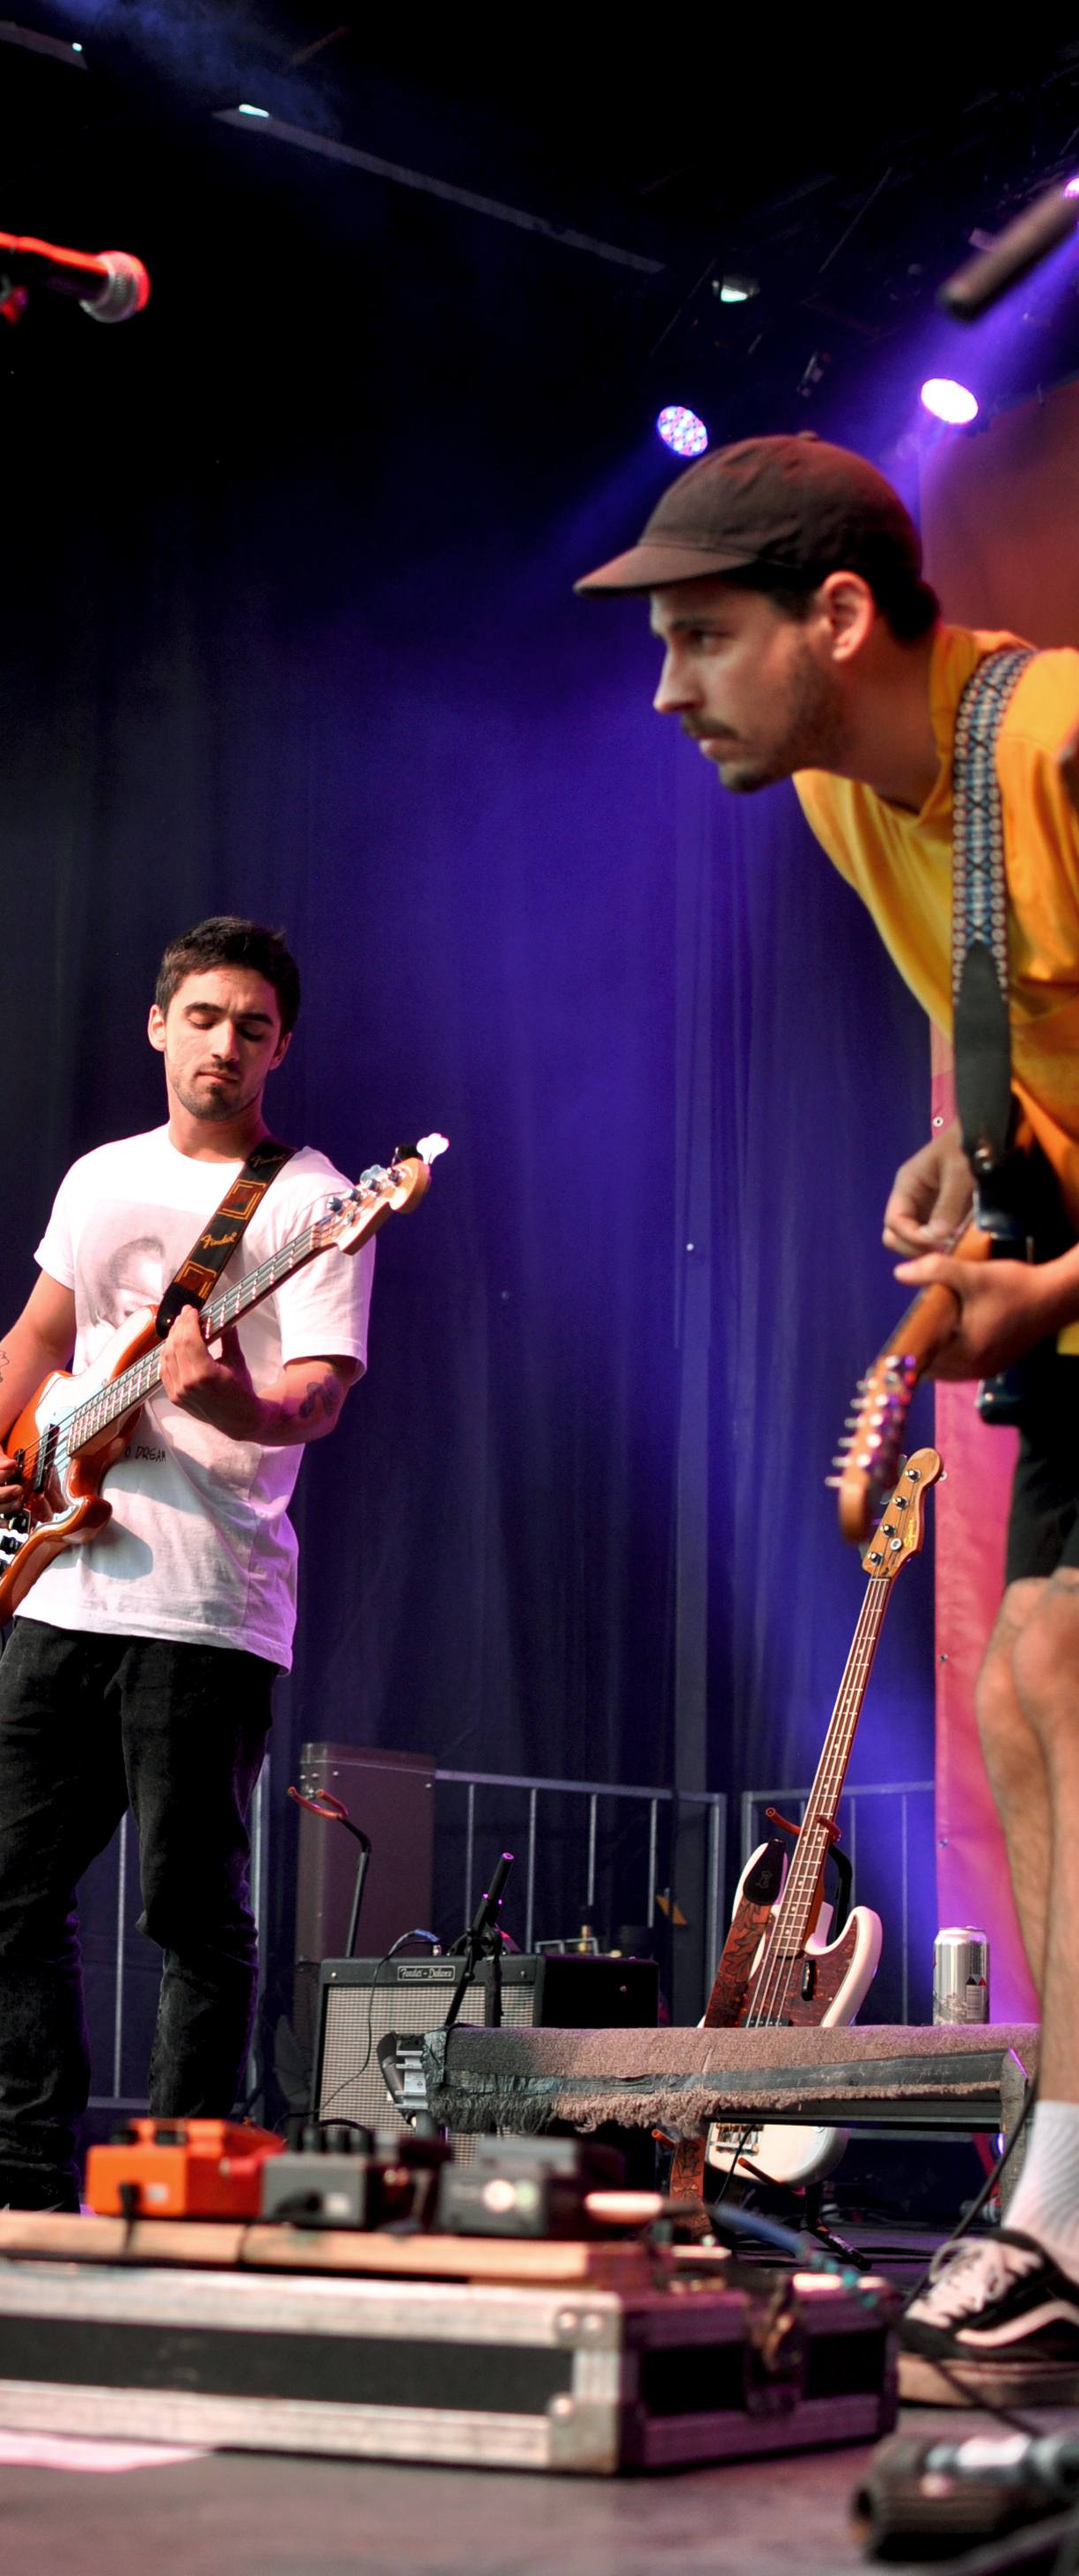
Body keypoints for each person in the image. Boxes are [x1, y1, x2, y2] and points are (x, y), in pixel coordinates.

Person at [577, 433, 1079, 2397]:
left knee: (1061, 1672)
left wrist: (1052, 1287)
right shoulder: (852, 798)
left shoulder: (1054, 744)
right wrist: (974, 1160)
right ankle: (1062, 2194)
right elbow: (1016, 1035)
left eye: (701, 637)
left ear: (839, 615)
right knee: (1024, 1690)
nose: (665, 690)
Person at [0, 916, 372, 2209]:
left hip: (206, 1605)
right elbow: (42, 1332)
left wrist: (227, 1400)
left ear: (280, 1048)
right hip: (61, 1579)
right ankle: (26, 2160)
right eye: (202, 1017)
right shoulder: (99, 1179)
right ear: (158, 1026)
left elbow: (318, 1398)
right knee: (9, 1893)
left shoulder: (311, 1202)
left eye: (252, 1027)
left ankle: (176, 2182)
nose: (223, 1044)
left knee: (189, 1914)